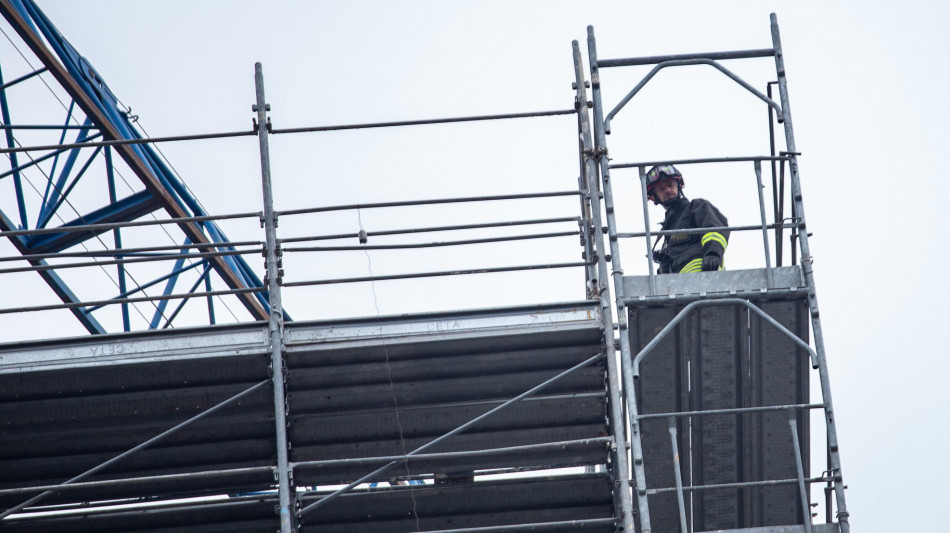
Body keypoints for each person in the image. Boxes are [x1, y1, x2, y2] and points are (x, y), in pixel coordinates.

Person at [646, 165, 729, 274]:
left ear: (679, 186)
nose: (668, 190)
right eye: (662, 189)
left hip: (706, 276)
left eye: (671, 185)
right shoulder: (669, 230)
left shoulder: (697, 206)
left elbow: (714, 230)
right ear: (653, 197)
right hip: (682, 286)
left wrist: (712, 254)